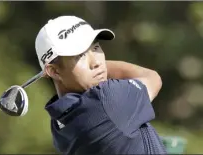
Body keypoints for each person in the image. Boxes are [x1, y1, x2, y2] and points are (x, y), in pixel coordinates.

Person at [35, 15, 167, 155]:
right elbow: (152, 78)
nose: (96, 62)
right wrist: (103, 68)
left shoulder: (58, 124)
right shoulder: (108, 100)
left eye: (96, 48)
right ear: (54, 71)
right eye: (80, 55)